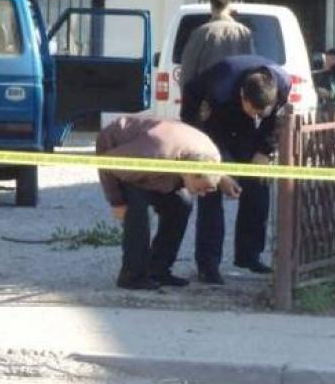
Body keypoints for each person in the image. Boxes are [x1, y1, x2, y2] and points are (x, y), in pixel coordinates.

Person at [181, 54, 291, 284]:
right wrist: (220, 171)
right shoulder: (220, 88)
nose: (258, 117)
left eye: (261, 113)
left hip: (245, 131)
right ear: (242, 95)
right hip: (212, 126)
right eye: (254, 111)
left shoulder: (282, 84)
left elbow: (273, 122)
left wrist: (264, 151)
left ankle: (249, 255)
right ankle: (208, 266)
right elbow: (196, 104)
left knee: (258, 185)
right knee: (211, 189)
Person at [96, 116, 241, 290]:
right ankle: (132, 275)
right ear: (189, 172)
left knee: (182, 204)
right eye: (201, 189)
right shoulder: (154, 155)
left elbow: (208, 169)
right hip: (123, 151)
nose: (203, 194)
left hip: (165, 152)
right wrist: (117, 202)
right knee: (137, 212)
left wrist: (222, 178)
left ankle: (158, 269)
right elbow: (107, 164)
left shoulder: (212, 156)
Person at [180, 0, 253, 87]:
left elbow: (188, 68)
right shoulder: (244, 32)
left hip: (208, 91)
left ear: (212, 8)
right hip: (236, 92)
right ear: (229, 7)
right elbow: (251, 65)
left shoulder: (200, 33)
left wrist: (187, 93)